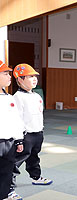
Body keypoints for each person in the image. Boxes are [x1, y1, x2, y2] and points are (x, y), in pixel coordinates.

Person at [9, 64, 52, 199]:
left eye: (35, 76)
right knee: (16, 162)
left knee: (34, 157)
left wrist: (40, 131)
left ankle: (36, 177)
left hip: (38, 132)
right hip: (26, 135)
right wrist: (19, 139)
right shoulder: (17, 97)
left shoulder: (36, 96)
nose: (34, 79)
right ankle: (8, 188)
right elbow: (17, 119)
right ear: (20, 80)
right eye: (30, 77)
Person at [0, 60, 24, 200]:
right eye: (5, 73)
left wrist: (19, 139)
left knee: (6, 171)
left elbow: (17, 121)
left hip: (8, 143)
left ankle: (4, 194)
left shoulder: (10, 98)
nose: (10, 76)